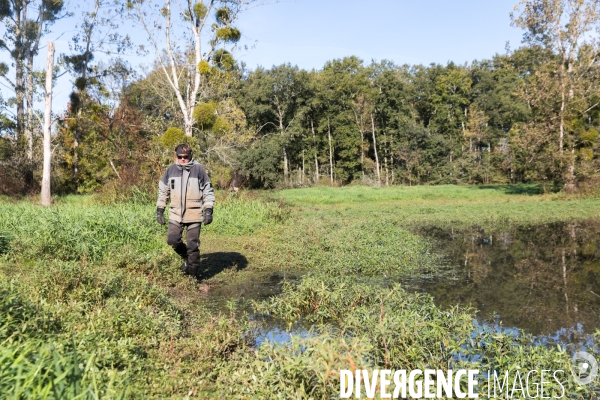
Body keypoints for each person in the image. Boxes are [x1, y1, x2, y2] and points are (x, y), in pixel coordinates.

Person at [155, 143, 215, 276]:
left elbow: (208, 190)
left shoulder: (199, 169)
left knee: (193, 245)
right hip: (175, 213)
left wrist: (209, 210)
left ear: (190, 155)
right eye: (180, 156)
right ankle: (186, 258)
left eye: (185, 156)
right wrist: (160, 210)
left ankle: (193, 276)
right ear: (176, 156)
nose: (183, 159)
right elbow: (163, 191)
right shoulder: (170, 170)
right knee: (172, 240)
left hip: (194, 213)